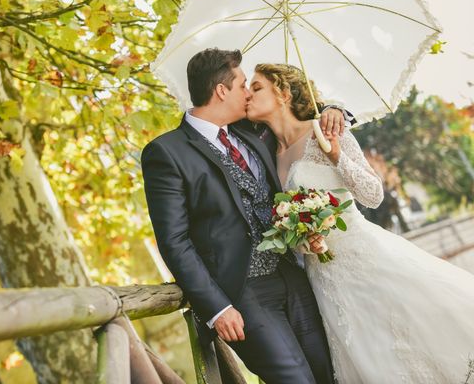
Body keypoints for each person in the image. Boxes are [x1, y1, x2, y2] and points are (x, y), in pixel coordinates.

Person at [246, 63, 474, 383]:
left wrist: (338, 155)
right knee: (369, 355)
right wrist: (304, 238)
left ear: (283, 93)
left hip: (367, 258)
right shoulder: (268, 154)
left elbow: (373, 194)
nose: (247, 95)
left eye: (256, 88)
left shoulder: (324, 131)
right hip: (325, 278)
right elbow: (287, 219)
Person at [141, 48, 347, 383]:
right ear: (221, 91)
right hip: (244, 294)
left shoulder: (251, 132)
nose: (248, 94)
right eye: (241, 86)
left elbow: (295, 110)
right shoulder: (166, 152)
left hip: (293, 277)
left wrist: (334, 108)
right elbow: (173, 240)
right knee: (295, 380)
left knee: (329, 374)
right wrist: (217, 308)